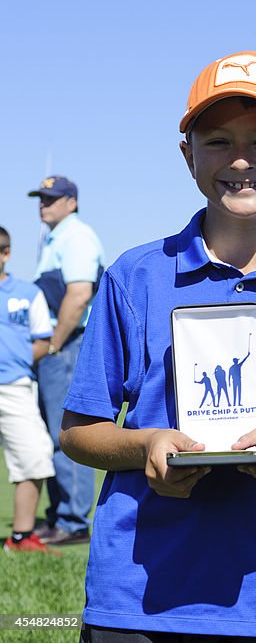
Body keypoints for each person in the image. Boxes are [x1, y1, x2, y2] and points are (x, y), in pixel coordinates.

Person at [59, 50, 256, 641]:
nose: (242, 160)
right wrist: (145, 444)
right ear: (187, 154)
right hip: (135, 594)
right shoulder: (135, 274)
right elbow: (78, 431)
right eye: (218, 140)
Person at [27, 174, 105, 546]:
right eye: (41, 198)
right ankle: (59, 515)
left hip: (68, 343)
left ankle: (73, 523)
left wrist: (54, 344)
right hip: (59, 345)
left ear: (71, 202)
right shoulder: (55, 238)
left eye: (51, 198)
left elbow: (79, 294)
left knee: (66, 432)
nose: (44, 203)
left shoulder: (76, 236)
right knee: (50, 432)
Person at [0, 226, 56, 553]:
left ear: (6, 254)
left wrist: (16, 359)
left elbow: (42, 340)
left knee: (34, 454)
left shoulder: (28, 293)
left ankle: (21, 538)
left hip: (15, 386)